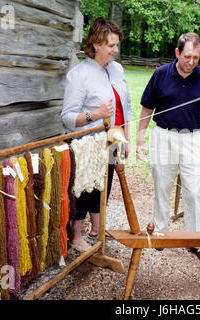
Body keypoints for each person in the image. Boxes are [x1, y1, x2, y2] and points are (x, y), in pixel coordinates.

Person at [136, 32, 200, 262]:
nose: (191, 62)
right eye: (187, 56)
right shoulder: (161, 74)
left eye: (196, 57)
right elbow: (146, 109)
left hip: (193, 138)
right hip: (163, 136)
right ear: (177, 53)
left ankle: (195, 240)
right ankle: (160, 233)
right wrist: (140, 140)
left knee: (194, 190)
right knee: (162, 185)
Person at [61, 17, 132, 252]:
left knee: (105, 184)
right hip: (86, 144)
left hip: (111, 140)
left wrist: (127, 139)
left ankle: (97, 229)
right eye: (111, 45)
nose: (115, 50)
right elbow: (67, 118)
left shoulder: (117, 69)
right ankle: (76, 235)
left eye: (116, 45)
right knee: (84, 189)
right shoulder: (79, 74)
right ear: (96, 44)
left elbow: (126, 107)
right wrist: (95, 114)